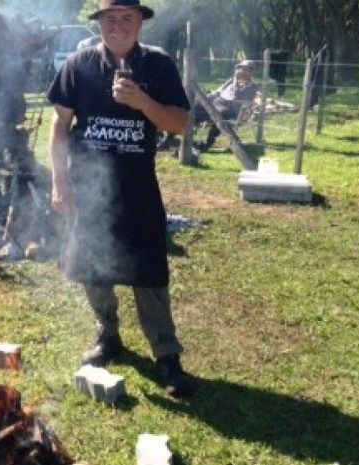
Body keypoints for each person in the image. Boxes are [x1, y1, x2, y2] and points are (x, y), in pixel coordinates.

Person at [46, 0, 194, 397]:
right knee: (91, 268)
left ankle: (167, 355)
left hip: (138, 187)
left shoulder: (158, 65)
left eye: (126, 19)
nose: (117, 27)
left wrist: (143, 103)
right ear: (99, 24)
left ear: (140, 23)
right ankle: (108, 335)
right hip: (89, 189)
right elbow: (59, 127)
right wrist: (59, 181)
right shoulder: (78, 65)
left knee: (149, 272)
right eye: (110, 19)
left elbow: (180, 124)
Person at [158, 59, 260, 152]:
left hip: (231, 108)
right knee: (192, 110)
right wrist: (204, 98)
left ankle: (206, 145)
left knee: (220, 116)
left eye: (245, 69)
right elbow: (218, 92)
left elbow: (239, 98)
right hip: (216, 103)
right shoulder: (230, 81)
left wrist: (236, 82)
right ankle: (168, 140)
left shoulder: (252, 86)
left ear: (251, 72)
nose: (241, 71)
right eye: (240, 68)